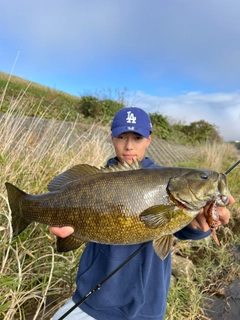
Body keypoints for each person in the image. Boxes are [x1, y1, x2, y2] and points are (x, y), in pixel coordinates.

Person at [51, 107, 234, 320]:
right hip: (93, 300)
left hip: (147, 308)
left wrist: (200, 225)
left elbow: (187, 230)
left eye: (137, 137)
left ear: (149, 139)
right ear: (112, 138)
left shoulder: (169, 184)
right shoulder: (94, 182)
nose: (128, 145)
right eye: (121, 137)